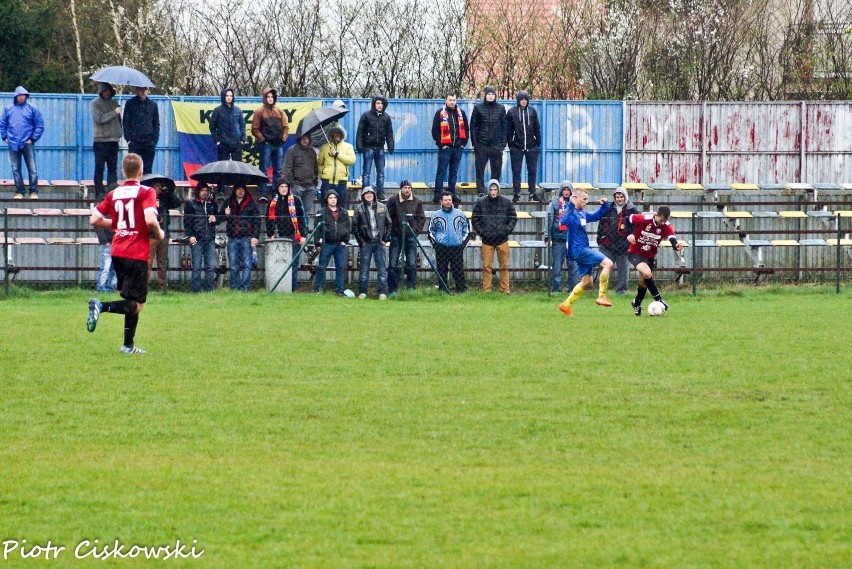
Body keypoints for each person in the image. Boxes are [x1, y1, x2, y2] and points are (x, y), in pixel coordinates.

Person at [86, 153, 164, 355]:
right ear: (141, 171)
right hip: (136, 252)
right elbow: (149, 219)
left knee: (130, 299)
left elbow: (94, 219)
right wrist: (159, 232)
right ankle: (100, 306)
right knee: (138, 304)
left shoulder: (114, 194)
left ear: (123, 171)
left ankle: (127, 345)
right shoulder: (146, 192)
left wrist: (119, 225)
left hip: (118, 251)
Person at [557, 188, 613, 316]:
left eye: (587, 199)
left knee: (587, 282)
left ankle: (565, 305)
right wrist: (570, 205)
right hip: (579, 250)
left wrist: (605, 206)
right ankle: (602, 296)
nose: (586, 202)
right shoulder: (570, 213)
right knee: (608, 264)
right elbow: (563, 221)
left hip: (582, 250)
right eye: (584, 199)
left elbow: (595, 216)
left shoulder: (582, 213)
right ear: (575, 198)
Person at [627, 206, 683, 316]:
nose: (663, 223)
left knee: (644, 281)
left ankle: (637, 303)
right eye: (661, 220)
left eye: (665, 220)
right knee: (647, 273)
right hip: (636, 251)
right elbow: (627, 219)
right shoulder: (645, 218)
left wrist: (677, 245)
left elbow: (672, 239)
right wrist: (630, 233)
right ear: (656, 215)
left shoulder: (666, 226)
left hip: (650, 255)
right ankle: (659, 299)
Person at [471, 179, 517, 294]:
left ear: (499, 190)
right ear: (488, 190)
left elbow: (513, 218)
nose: (493, 192)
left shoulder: (506, 202)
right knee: (486, 267)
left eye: (495, 189)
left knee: (504, 266)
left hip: (502, 239)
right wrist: (483, 232)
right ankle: (486, 289)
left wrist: (505, 231)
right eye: (491, 189)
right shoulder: (481, 202)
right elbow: (475, 219)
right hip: (487, 239)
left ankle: (505, 289)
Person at [1, 86, 44, 199]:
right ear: (15, 96)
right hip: (13, 143)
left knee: (32, 168)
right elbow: (3, 124)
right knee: (16, 169)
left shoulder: (32, 108)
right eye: (19, 95)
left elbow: (39, 125)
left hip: (27, 143)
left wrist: (33, 139)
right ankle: (19, 191)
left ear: (26, 96)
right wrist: (4, 137)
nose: (21, 97)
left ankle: (33, 191)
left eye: (23, 95)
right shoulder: (8, 108)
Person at [266, 181, 308, 291]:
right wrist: (270, 234)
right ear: (278, 188)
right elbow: (269, 220)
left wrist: (303, 235)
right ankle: (278, 287)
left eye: (286, 186)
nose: (284, 189)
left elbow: (302, 218)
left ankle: (292, 287)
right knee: (279, 262)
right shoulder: (272, 202)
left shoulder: (296, 200)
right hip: (278, 235)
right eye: (281, 186)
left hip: (294, 235)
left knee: (293, 263)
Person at [144, 176, 182, 294]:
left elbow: (177, 203)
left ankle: (163, 287)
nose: (159, 188)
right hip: (150, 235)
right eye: (157, 186)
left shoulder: (165, 198)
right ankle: (144, 288)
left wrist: (168, 192)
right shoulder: (146, 198)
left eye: (160, 186)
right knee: (148, 262)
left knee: (163, 261)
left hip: (164, 233)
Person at [386, 179, 425, 295]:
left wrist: (415, 232)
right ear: (401, 189)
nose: (407, 190)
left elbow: (421, 218)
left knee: (412, 264)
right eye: (405, 188)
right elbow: (388, 217)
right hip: (396, 236)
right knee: (393, 264)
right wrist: (392, 231)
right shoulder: (393, 200)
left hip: (411, 236)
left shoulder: (417, 201)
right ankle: (392, 289)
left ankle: (410, 289)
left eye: (409, 188)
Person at [596, 187, 636, 296]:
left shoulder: (632, 210)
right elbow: (601, 224)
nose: (619, 199)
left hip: (624, 246)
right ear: (614, 198)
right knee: (604, 268)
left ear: (625, 197)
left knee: (623, 270)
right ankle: (601, 290)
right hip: (607, 244)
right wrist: (600, 239)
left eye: (621, 196)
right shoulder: (608, 209)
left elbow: (635, 227)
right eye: (617, 197)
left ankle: (621, 292)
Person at [353, 186, 391, 299]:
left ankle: (382, 292)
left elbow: (389, 224)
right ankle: (363, 291)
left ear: (374, 195)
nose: (369, 195)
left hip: (380, 242)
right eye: (366, 194)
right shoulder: (359, 208)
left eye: (371, 193)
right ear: (363, 196)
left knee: (382, 269)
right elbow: (355, 227)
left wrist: (385, 239)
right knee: (364, 269)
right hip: (367, 243)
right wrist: (361, 242)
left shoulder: (382, 207)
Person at [251, 87, 288, 201]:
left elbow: (285, 127)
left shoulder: (280, 111)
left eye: (272, 96)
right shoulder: (259, 112)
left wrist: (283, 138)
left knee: (278, 170)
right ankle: (263, 193)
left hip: (278, 145)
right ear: (264, 98)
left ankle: (276, 192)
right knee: (264, 169)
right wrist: (263, 140)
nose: (270, 99)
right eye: (268, 97)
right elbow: (254, 129)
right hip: (266, 145)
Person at [220, 184, 260, 291]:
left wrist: (255, 236)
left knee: (247, 264)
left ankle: (245, 287)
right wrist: (225, 215)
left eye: (242, 189)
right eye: (238, 189)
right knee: (233, 264)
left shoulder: (252, 202)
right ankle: (234, 287)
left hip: (247, 237)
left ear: (245, 190)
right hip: (232, 237)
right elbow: (220, 218)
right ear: (234, 190)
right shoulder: (228, 202)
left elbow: (257, 221)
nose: (240, 191)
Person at [428, 191, 470, 293]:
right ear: (441, 201)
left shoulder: (460, 214)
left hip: (457, 247)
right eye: (446, 200)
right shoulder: (435, 215)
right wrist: (436, 245)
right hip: (441, 247)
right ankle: (443, 290)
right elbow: (430, 231)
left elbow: (467, 230)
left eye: (450, 200)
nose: (448, 202)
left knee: (458, 270)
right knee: (442, 270)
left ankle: (461, 290)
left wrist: (462, 244)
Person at [312, 189, 351, 296]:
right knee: (321, 267)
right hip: (327, 243)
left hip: (340, 244)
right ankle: (316, 289)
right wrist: (317, 243)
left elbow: (348, 226)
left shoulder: (344, 212)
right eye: (330, 198)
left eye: (335, 198)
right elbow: (317, 229)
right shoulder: (321, 212)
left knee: (340, 267)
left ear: (338, 199)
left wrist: (345, 241)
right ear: (326, 200)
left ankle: (340, 290)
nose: (333, 200)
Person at [469, 86, 506, 197]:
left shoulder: (501, 108)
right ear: (485, 95)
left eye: (492, 94)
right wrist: (475, 143)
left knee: (496, 170)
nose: (490, 96)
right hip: (482, 145)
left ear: (495, 96)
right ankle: (480, 190)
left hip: (496, 145)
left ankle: (494, 191)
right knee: (480, 170)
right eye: (488, 94)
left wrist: (502, 144)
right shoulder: (478, 108)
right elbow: (473, 126)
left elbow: (505, 126)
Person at [431, 93, 468, 203]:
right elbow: (435, 131)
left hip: (458, 148)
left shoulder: (461, 113)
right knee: (441, 171)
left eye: (454, 100)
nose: (452, 102)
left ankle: (452, 194)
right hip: (445, 148)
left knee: (453, 172)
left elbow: (466, 129)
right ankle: (437, 194)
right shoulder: (440, 113)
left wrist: (463, 144)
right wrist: (441, 145)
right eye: (450, 100)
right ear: (446, 101)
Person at [356, 95, 394, 201]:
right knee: (366, 173)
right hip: (368, 148)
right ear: (374, 104)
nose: (380, 105)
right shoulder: (366, 116)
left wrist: (391, 146)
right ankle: (365, 193)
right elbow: (360, 132)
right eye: (377, 103)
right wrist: (359, 145)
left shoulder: (386, 117)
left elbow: (389, 133)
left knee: (381, 173)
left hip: (380, 148)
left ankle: (380, 194)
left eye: (381, 103)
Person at [506, 90, 541, 203]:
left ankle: (532, 193)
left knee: (532, 171)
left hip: (531, 146)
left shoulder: (532, 111)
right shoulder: (512, 112)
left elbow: (537, 128)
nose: (523, 101)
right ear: (518, 100)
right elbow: (508, 129)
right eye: (521, 99)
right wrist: (511, 143)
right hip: (517, 146)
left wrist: (537, 142)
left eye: (525, 99)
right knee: (516, 171)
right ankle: (516, 193)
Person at [184, 182, 218, 293]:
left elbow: (217, 218)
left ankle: (209, 289)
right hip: (197, 238)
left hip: (210, 238)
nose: (204, 193)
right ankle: (195, 290)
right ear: (198, 191)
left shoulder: (212, 204)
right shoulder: (191, 204)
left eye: (206, 190)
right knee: (196, 266)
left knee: (210, 266)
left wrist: (215, 218)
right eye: (202, 190)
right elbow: (187, 221)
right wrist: (191, 235)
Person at [546, 180, 579, 293]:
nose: (566, 192)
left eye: (568, 190)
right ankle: (556, 289)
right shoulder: (554, 202)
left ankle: (573, 290)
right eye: (564, 190)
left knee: (573, 267)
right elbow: (548, 220)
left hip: (573, 239)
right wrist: (547, 236)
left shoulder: (576, 203)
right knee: (557, 266)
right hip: (558, 238)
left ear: (571, 191)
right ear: (561, 190)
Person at [90, 82, 121, 199]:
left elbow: (119, 120)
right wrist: (115, 112)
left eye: (109, 91)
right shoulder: (94, 104)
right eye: (105, 91)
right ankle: (99, 191)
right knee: (99, 167)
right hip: (100, 141)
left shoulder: (114, 103)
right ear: (101, 91)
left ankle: (112, 191)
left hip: (113, 140)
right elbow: (100, 118)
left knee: (112, 168)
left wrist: (119, 132)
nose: (107, 93)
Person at [122, 87, 159, 174]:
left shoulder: (153, 104)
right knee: (133, 168)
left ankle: (146, 186)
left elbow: (156, 123)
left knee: (147, 169)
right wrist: (128, 139)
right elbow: (126, 122)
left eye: (145, 90)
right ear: (137, 90)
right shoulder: (130, 103)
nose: (143, 92)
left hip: (149, 141)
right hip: (135, 141)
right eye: (141, 90)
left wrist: (154, 140)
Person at [317, 125, 355, 205]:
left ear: (342, 135)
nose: (337, 135)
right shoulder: (324, 147)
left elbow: (351, 161)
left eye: (339, 133)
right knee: (325, 206)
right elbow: (319, 163)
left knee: (341, 207)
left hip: (341, 183)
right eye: (335, 133)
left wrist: (336, 154)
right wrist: (323, 173)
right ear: (331, 134)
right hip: (327, 183)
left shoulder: (348, 147)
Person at [282, 133, 318, 217]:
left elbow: (316, 169)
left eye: (306, 138)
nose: (305, 141)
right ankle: (295, 229)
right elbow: (287, 169)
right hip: (297, 186)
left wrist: (315, 183)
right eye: (302, 138)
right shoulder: (292, 150)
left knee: (307, 213)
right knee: (295, 212)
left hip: (310, 187)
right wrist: (292, 184)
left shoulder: (312, 152)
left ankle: (304, 230)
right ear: (299, 139)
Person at [209, 87, 245, 161]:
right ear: (223, 97)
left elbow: (242, 125)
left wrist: (242, 140)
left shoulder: (238, 110)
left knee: (237, 168)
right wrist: (217, 141)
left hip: (236, 144)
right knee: (223, 169)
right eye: (227, 95)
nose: (229, 98)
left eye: (231, 96)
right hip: (223, 144)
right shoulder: (217, 110)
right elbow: (212, 126)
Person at [94, 225, 117, 293]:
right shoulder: (103, 217)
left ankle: (110, 288)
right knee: (106, 268)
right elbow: (97, 227)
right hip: (108, 244)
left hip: (115, 244)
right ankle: (101, 288)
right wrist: (104, 241)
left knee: (114, 268)